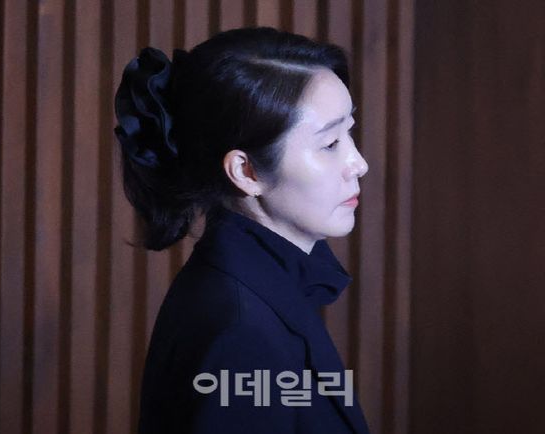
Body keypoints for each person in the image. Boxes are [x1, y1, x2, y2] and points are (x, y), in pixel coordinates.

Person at [114, 27, 370, 434]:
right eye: (329, 144)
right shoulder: (240, 329)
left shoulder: (260, 290)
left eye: (349, 132)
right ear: (246, 171)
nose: (359, 164)